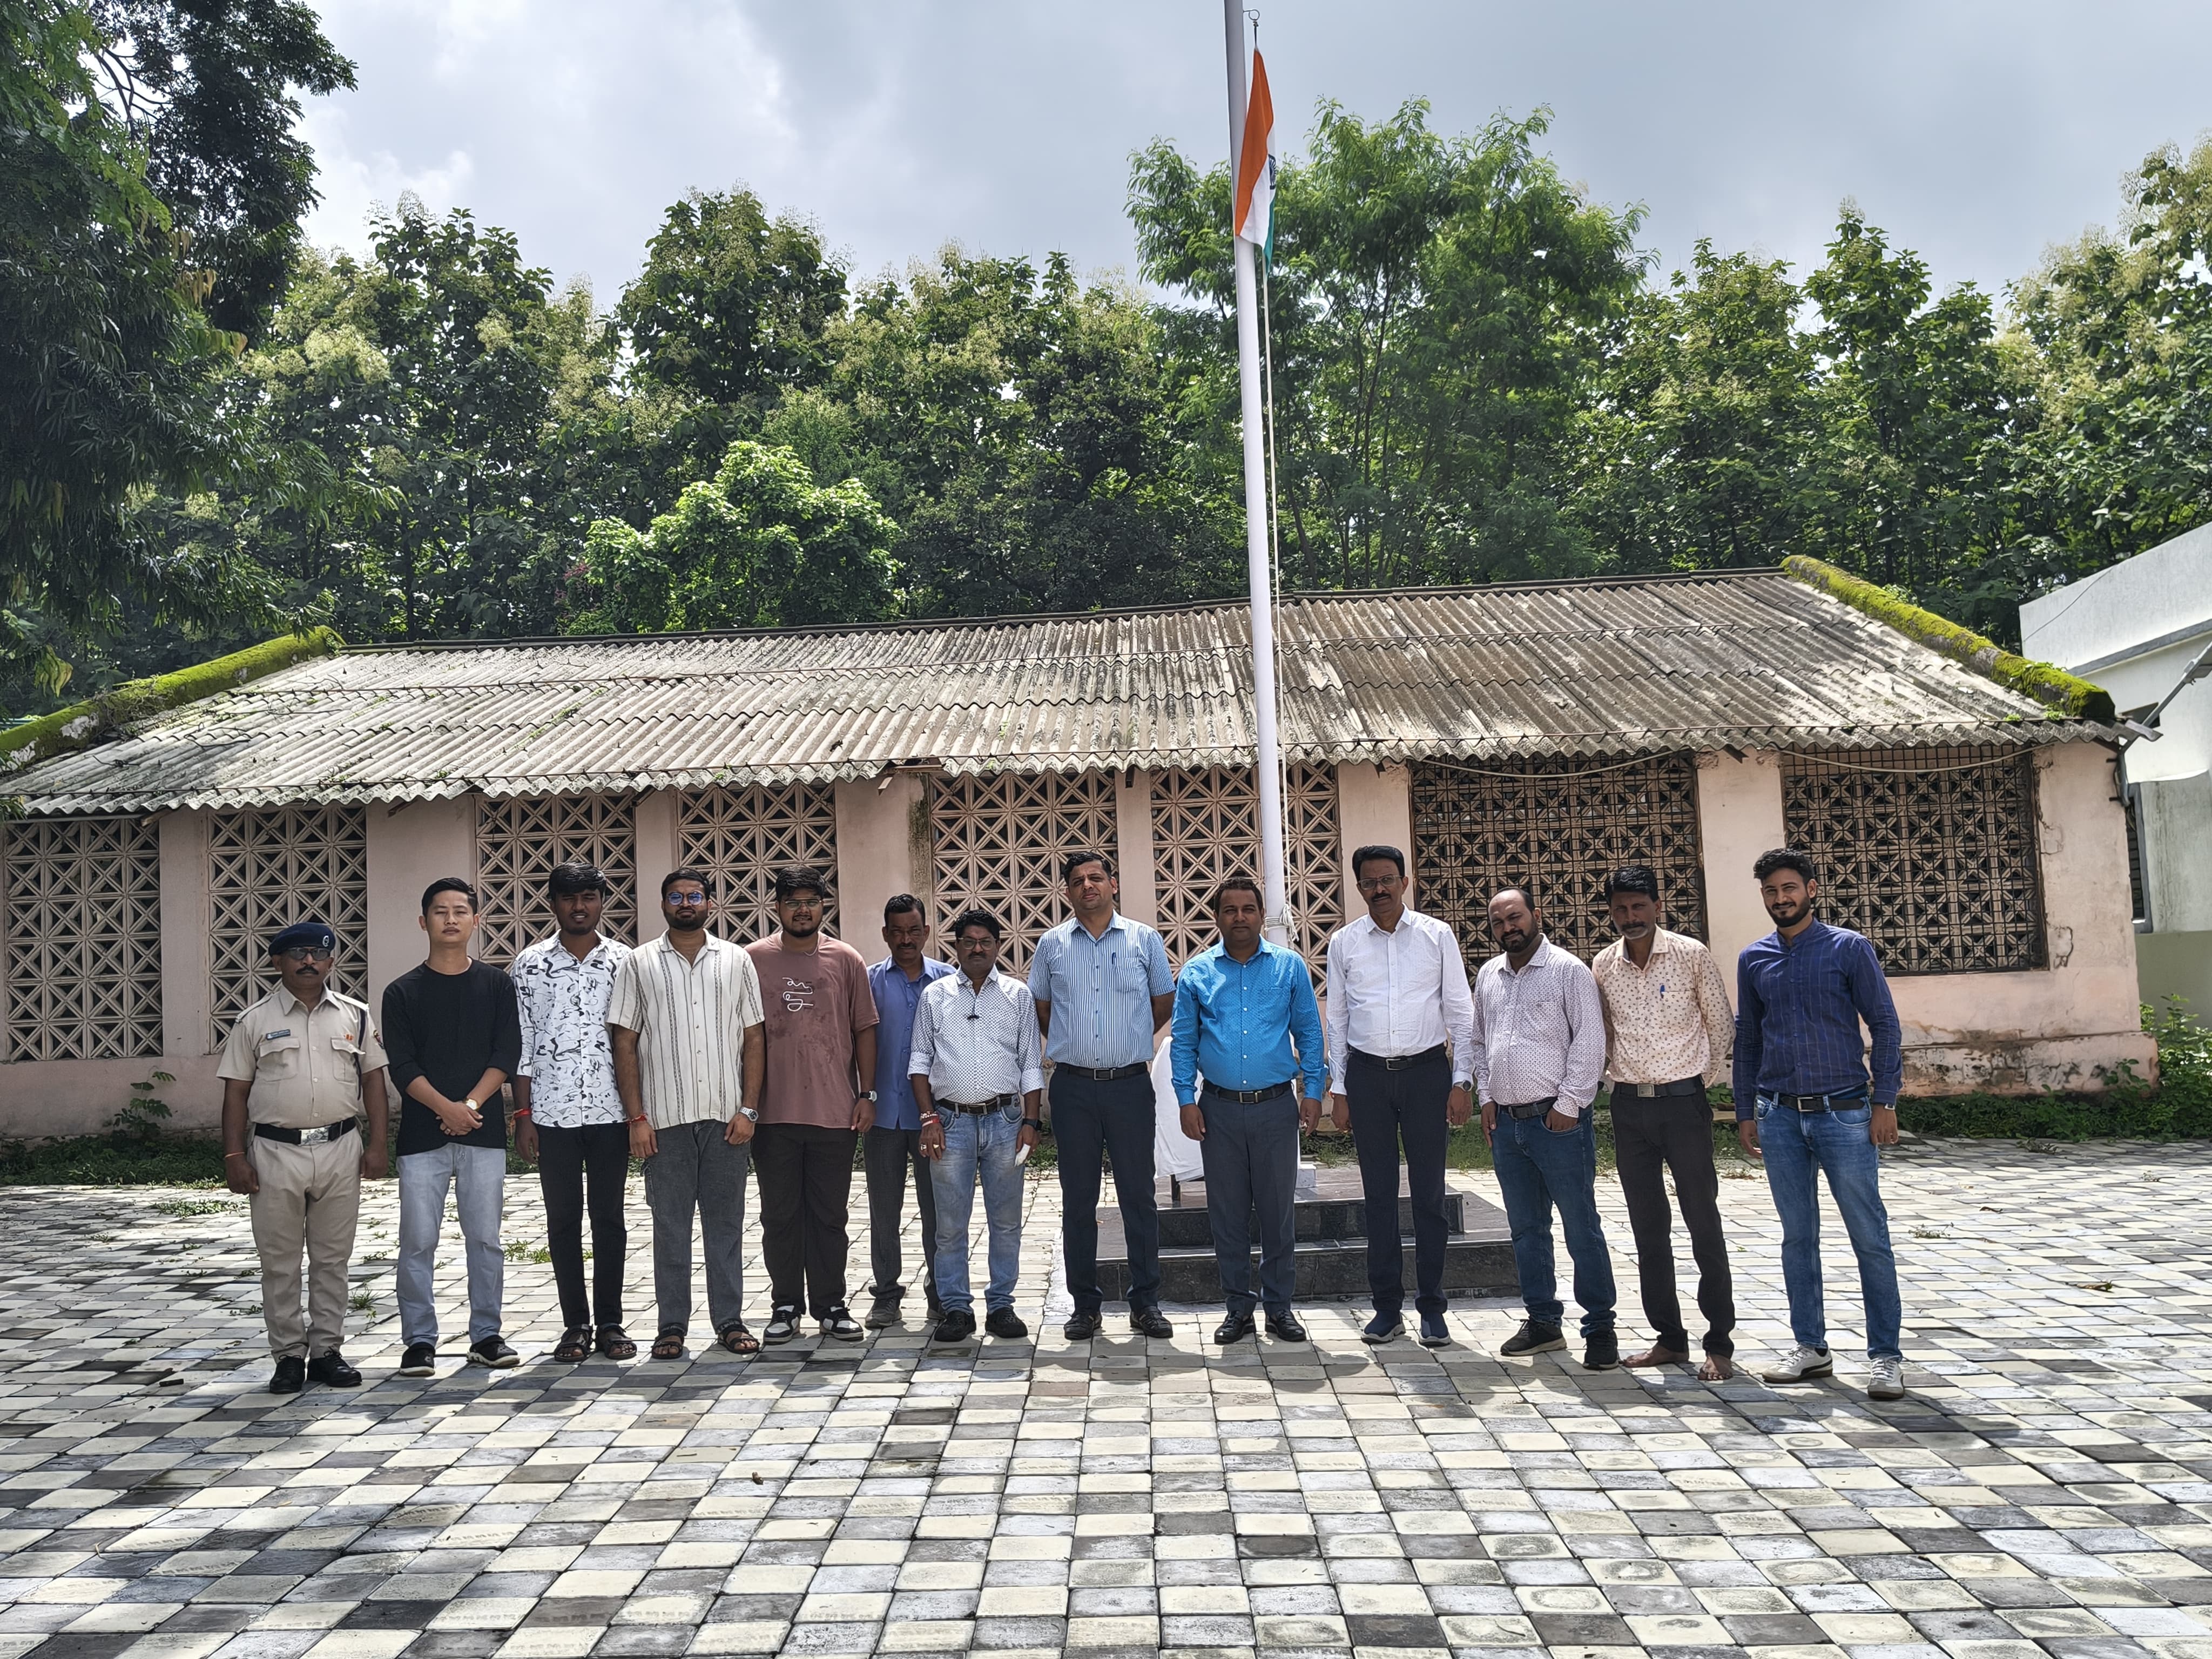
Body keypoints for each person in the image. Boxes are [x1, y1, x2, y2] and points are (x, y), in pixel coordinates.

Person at [1734, 848, 1907, 1402]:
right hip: (1779, 1115)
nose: (1780, 899)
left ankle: (1885, 1357)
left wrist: (1885, 1100)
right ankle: (1810, 1348)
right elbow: (1748, 1039)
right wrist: (1746, 1110)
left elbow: (1884, 1023)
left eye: (1789, 888)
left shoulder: (1848, 948)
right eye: (1770, 891)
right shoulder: (1753, 958)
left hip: (1844, 1113)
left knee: (1868, 1236)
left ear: (1811, 889)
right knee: (1797, 1237)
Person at [217, 921, 390, 1393]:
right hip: (275, 1152)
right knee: (280, 1261)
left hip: (340, 1148)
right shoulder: (253, 1021)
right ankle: (289, 1356)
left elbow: (373, 1081)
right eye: (298, 954)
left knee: (333, 1258)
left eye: (318, 953)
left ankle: (328, 1351)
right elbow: (236, 1093)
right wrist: (234, 1154)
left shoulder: (356, 1015)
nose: (309, 961)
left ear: (331, 961)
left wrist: (378, 1145)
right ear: (278, 962)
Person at [609, 867, 766, 1360]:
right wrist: (637, 1118)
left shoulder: (737, 960)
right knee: (671, 1228)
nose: (685, 904)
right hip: (665, 1122)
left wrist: (749, 1109)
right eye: (675, 897)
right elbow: (624, 1041)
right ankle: (671, 1326)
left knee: (726, 1227)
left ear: (709, 903)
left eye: (694, 896)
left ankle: (729, 1321)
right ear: (663, 904)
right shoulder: (638, 963)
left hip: (726, 1119)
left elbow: (754, 1037)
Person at [1324, 845, 1476, 1348]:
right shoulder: (1344, 943)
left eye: (1388, 879)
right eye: (1370, 882)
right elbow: (1338, 1019)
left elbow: (1459, 1010)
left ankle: (1432, 1307)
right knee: (1378, 1195)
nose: (1380, 889)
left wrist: (1462, 1080)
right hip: (1367, 1077)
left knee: (1429, 1194)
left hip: (1426, 1075)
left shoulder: (1437, 935)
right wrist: (1340, 1088)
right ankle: (1386, 1309)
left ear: (1405, 883)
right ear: (1359, 888)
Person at [1591, 865, 1740, 1381]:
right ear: (1611, 913)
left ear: (1658, 906)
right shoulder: (1604, 965)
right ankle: (1670, 1339)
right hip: (1630, 1108)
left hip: (1683, 1106)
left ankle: (1719, 1342)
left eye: (1639, 906)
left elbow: (1721, 1026)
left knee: (1702, 1220)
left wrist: (1695, 1082)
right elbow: (1605, 1033)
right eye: (1620, 908)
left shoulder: (1690, 954)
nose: (1630, 916)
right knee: (1647, 1226)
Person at [1029, 849, 1177, 1341]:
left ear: (1113, 884)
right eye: (1078, 880)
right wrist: (1079, 1048)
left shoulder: (1144, 939)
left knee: (1139, 1196)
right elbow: (1043, 1009)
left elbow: (1162, 1002)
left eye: (1096, 877)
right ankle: (1085, 1306)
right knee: (1078, 1200)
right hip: (1073, 1088)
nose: (1088, 886)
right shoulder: (1051, 945)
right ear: (1067, 891)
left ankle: (1146, 1303)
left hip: (1129, 1086)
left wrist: (1127, 1042)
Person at [1171, 875, 1326, 1346]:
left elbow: (1309, 1031)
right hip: (1218, 1111)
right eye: (1230, 910)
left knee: (1278, 1214)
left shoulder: (1288, 967)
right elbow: (1184, 1042)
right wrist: (1185, 1100)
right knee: (1228, 1214)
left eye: (1248, 909)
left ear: (1261, 915)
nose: (1240, 917)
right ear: (1217, 918)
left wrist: (1313, 1090)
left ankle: (1279, 1309)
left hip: (1275, 1109)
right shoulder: (1197, 973)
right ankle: (1238, 1309)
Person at [383, 878, 523, 1376]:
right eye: (440, 911)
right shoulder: (402, 992)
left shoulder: (497, 985)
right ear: (424, 922)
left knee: (485, 1239)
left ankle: (486, 1336)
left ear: (475, 921)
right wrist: (446, 1108)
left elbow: (506, 1054)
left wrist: (469, 1105)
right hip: (422, 1137)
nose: (450, 919)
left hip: (482, 1131)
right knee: (418, 1241)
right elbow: (402, 1066)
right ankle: (419, 1341)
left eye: (460, 911)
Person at [1474, 887, 1617, 1370]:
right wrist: (1486, 1097)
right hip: (1507, 1125)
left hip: (1558, 1124)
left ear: (1536, 915)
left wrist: (1570, 1103)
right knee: (1526, 1230)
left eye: (1515, 917)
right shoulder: (1489, 976)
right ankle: (1543, 1322)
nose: (1508, 927)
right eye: (1498, 922)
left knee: (1581, 1227)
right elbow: (1479, 1041)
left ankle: (1600, 1328)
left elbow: (1591, 1041)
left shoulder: (1568, 971)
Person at [746, 865, 878, 1345]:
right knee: (780, 1216)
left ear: (824, 907)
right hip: (772, 1114)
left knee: (829, 1216)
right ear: (777, 908)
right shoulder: (753, 960)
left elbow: (865, 1028)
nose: (802, 910)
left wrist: (866, 1095)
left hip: (834, 1113)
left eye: (811, 902)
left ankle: (831, 1305)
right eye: (792, 902)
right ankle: (785, 1305)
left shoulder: (846, 959)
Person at [512, 862, 636, 1364]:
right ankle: (575, 1326)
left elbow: (635, 1042)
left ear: (602, 901)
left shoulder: (625, 962)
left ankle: (610, 1322)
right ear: (553, 904)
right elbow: (522, 1042)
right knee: (562, 1221)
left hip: (611, 1114)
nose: (579, 907)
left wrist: (638, 1115)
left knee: (609, 1219)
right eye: (568, 898)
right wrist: (523, 1114)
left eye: (588, 897)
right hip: (551, 1115)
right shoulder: (529, 965)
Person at [910, 909, 1044, 1343]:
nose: (977, 948)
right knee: (950, 1225)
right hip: (950, 1122)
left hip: (1006, 1122)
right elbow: (919, 1063)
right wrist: (929, 1118)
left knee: (1005, 1222)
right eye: (968, 941)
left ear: (998, 946)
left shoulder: (1018, 996)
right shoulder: (935, 996)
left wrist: (1031, 1121)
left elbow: (1030, 1063)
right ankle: (955, 1309)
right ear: (957, 946)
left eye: (985, 941)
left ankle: (1002, 1306)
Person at [864, 894, 955, 1328]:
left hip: (934, 1118)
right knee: (884, 1212)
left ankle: (942, 1294)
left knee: (938, 1211)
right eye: (897, 932)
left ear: (926, 932)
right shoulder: (868, 982)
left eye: (913, 931)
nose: (906, 940)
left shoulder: (949, 981)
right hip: (883, 1116)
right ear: (886, 934)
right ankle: (886, 1296)